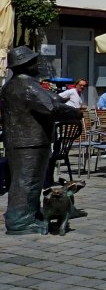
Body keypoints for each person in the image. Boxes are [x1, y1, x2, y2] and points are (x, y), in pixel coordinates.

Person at [0, 46, 83, 235]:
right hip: (31, 142)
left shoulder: (11, 86)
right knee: (27, 182)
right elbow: (52, 108)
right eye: (33, 61)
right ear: (26, 65)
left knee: (24, 180)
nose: (37, 64)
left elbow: (49, 100)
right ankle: (19, 223)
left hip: (18, 141)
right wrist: (76, 113)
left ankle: (29, 215)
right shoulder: (26, 85)